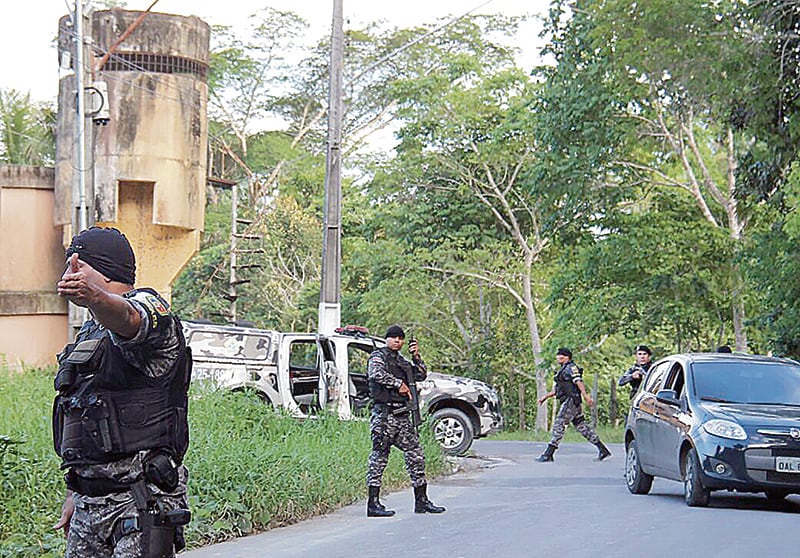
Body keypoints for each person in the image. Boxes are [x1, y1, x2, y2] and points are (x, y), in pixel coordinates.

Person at [52, 227, 192, 558]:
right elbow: (83, 411)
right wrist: (76, 492)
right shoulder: (90, 330)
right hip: (90, 504)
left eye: (78, 265)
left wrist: (95, 297)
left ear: (104, 269)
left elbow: (130, 318)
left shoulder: (149, 306)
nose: (69, 273)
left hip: (139, 502)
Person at [365, 325, 445, 517]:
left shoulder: (401, 360)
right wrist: (397, 384)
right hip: (384, 417)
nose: (397, 341)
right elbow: (375, 374)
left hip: (402, 418)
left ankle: (421, 501)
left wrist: (416, 356)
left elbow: (420, 374)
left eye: (400, 339)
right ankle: (373, 504)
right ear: (387, 339)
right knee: (379, 458)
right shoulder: (378, 357)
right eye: (394, 338)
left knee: (416, 455)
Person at [536, 348, 611, 463]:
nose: (558, 358)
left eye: (561, 356)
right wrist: (545, 397)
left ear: (567, 357)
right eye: (558, 356)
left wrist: (586, 396)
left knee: (559, 424)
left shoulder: (571, 368)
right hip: (570, 400)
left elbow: (578, 381)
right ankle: (602, 449)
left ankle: (548, 453)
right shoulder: (563, 370)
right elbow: (559, 389)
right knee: (581, 426)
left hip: (571, 401)